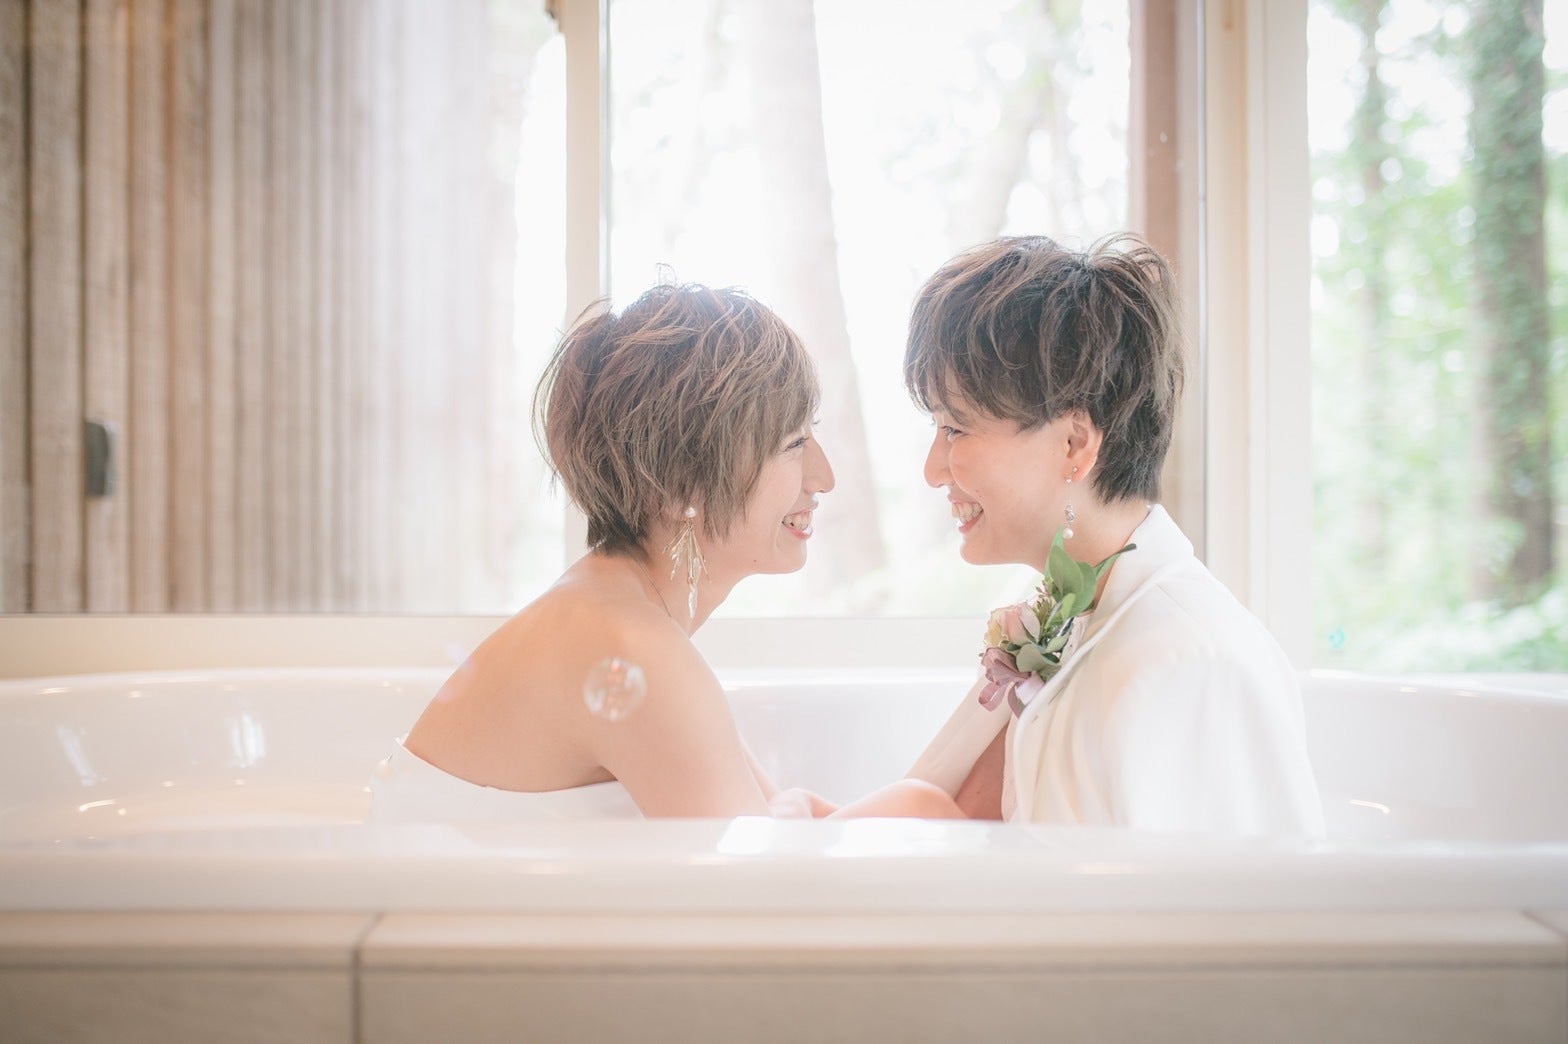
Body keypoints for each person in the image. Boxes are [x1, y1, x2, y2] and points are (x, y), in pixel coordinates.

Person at [369, 282, 961, 821]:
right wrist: (916, 805)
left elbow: (773, 831)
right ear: (682, 488)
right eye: (793, 443)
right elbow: (759, 887)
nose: (823, 477)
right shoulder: (629, 644)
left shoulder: (618, 617)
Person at [901, 234, 1324, 837]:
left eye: (956, 429)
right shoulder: (1072, 617)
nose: (932, 470)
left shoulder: (1188, 663)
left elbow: (1248, 896)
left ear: (1074, 443)